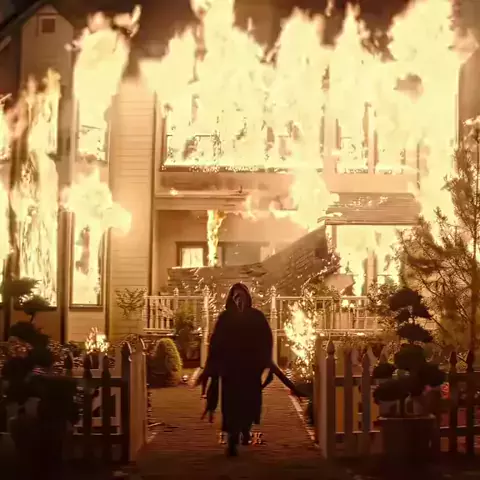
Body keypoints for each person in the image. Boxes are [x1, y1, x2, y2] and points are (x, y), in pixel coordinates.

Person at [197, 283, 273, 457]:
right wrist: (213, 366)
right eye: (236, 296)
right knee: (231, 405)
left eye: (242, 296)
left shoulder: (256, 317)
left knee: (248, 403)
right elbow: (216, 342)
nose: (239, 300)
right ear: (231, 299)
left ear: (247, 297)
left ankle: (245, 430)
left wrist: (265, 361)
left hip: (250, 370)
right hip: (231, 370)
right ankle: (232, 438)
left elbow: (266, 339)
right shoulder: (225, 318)